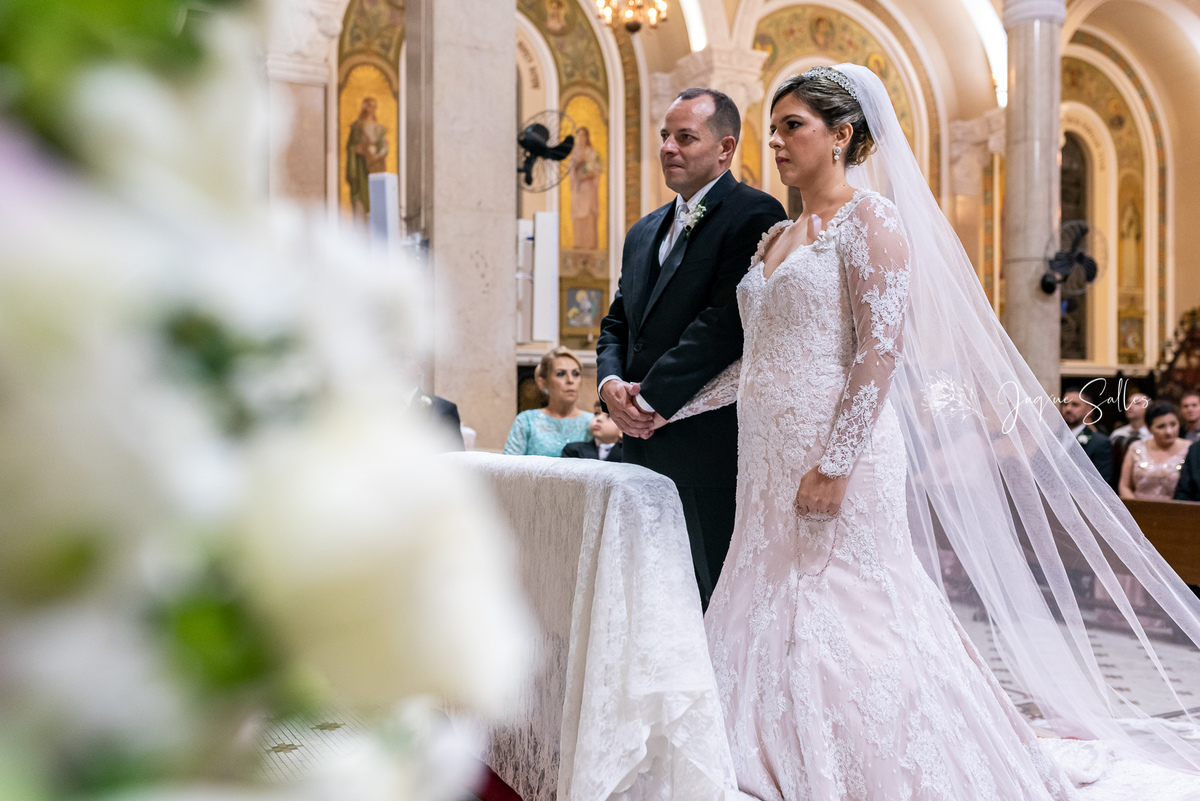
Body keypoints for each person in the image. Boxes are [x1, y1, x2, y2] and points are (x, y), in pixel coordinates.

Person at [663, 65, 1200, 796]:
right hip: (765, 460)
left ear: (841, 135)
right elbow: (759, 361)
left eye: (793, 126)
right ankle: (771, 742)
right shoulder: (775, 238)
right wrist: (667, 407)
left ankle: (877, 760)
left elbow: (879, 351)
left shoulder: (871, 221)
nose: (777, 142)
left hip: (838, 453)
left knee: (853, 609)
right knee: (766, 596)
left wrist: (836, 463)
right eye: (774, 129)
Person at [596, 88, 787, 609]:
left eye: (685, 137)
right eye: (665, 136)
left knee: (711, 597)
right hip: (639, 444)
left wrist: (648, 400)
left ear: (725, 148)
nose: (668, 148)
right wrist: (610, 386)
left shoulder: (754, 213)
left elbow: (725, 324)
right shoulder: (643, 231)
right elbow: (618, 321)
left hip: (706, 446)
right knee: (648, 597)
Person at [503, 347, 593, 456]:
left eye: (576, 374)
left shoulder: (593, 423)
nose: (570, 380)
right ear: (543, 383)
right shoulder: (526, 421)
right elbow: (508, 464)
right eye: (561, 374)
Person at [1119, 400, 1190, 500]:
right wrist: (1136, 507)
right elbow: (1124, 485)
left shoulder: (1190, 449)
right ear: (1149, 428)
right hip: (1138, 506)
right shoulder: (1136, 447)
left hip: (1177, 507)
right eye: (1161, 426)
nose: (1169, 431)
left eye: (1173, 424)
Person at [1059, 384, 1112, 483]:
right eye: (1065, 404)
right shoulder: (1051, 438)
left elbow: (1101, 482)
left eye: (1075, 405)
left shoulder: (1099, 443)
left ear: (1089, 410)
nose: (1068, 409)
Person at [568, 127, 603, 250]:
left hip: (589, 188)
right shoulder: (575, 154)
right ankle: (579, 242)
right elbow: (571, 171)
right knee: (578, 215)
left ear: (587, 137)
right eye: (579, 136)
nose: (581, 138)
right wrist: (577, 165)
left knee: (588, 214)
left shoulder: (592, 153)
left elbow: (597, 171)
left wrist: (589, 175)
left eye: (583, 135)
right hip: (578, 189)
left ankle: (589, 244)